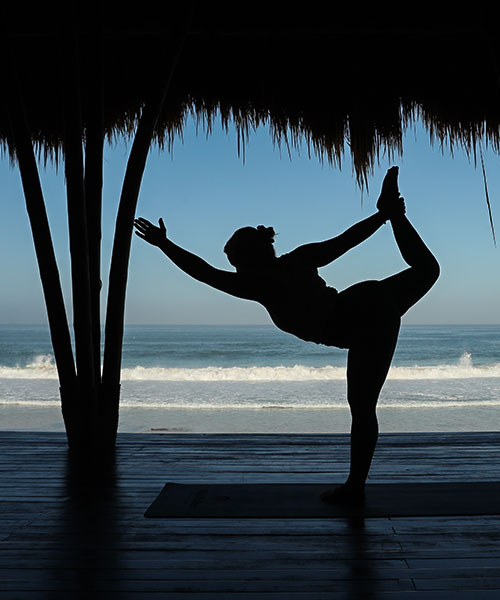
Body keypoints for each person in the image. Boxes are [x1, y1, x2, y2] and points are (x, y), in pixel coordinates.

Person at [133, 167, 439, 504]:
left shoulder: (258, 284)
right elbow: (347, 240)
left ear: (249, 260)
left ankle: (355, 488)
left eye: (236, 262)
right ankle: (393, 213)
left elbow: (204, 273)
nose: (235, 270)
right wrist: (382, 217)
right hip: (369, 311)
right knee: (427, 271)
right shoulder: (298, 260)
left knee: (363, 409)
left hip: (360, 316)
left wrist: (164, 245)